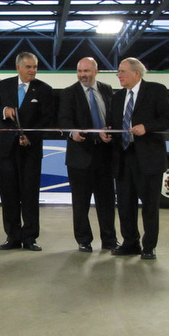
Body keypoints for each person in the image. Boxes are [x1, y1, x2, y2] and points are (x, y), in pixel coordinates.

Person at [102, 57, 169, 260]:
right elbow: (113, 123)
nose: (119, 75)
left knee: (150, 206)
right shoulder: (117, 97)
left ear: (136, 73)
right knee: (125, 205)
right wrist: (108, 132)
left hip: (148, 159)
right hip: (123, 158)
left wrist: (147, 127)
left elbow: (168, 119)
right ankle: (130, 243)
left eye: (122, 71)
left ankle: (149, 246)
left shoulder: (156, 90)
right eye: (118, 72)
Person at [0, 51, 53, 251]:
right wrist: (3, 111)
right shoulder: (4, 85)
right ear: (18, 68)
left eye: (35, 67)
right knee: (9, 194)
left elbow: (47, 119)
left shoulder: (44, 89)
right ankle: (12, 237)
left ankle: (30, 237)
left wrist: (29, 137)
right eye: (28, 67)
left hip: (30, 150)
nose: (32, 70)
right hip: (5, 151)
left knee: (30, 194)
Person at [58, 57, 118, 252]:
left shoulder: (107, 89)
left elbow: (112, 116)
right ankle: (83, 240)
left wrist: (110, 130)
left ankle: (109, 240)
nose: (82, 75)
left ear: (95, 71)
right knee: (80, 203)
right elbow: (64, 120)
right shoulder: (69, 93)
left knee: (107, 201)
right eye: (80, 71)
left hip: (105, 155)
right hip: (79, 157)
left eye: (86, 71)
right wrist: (72, 132)